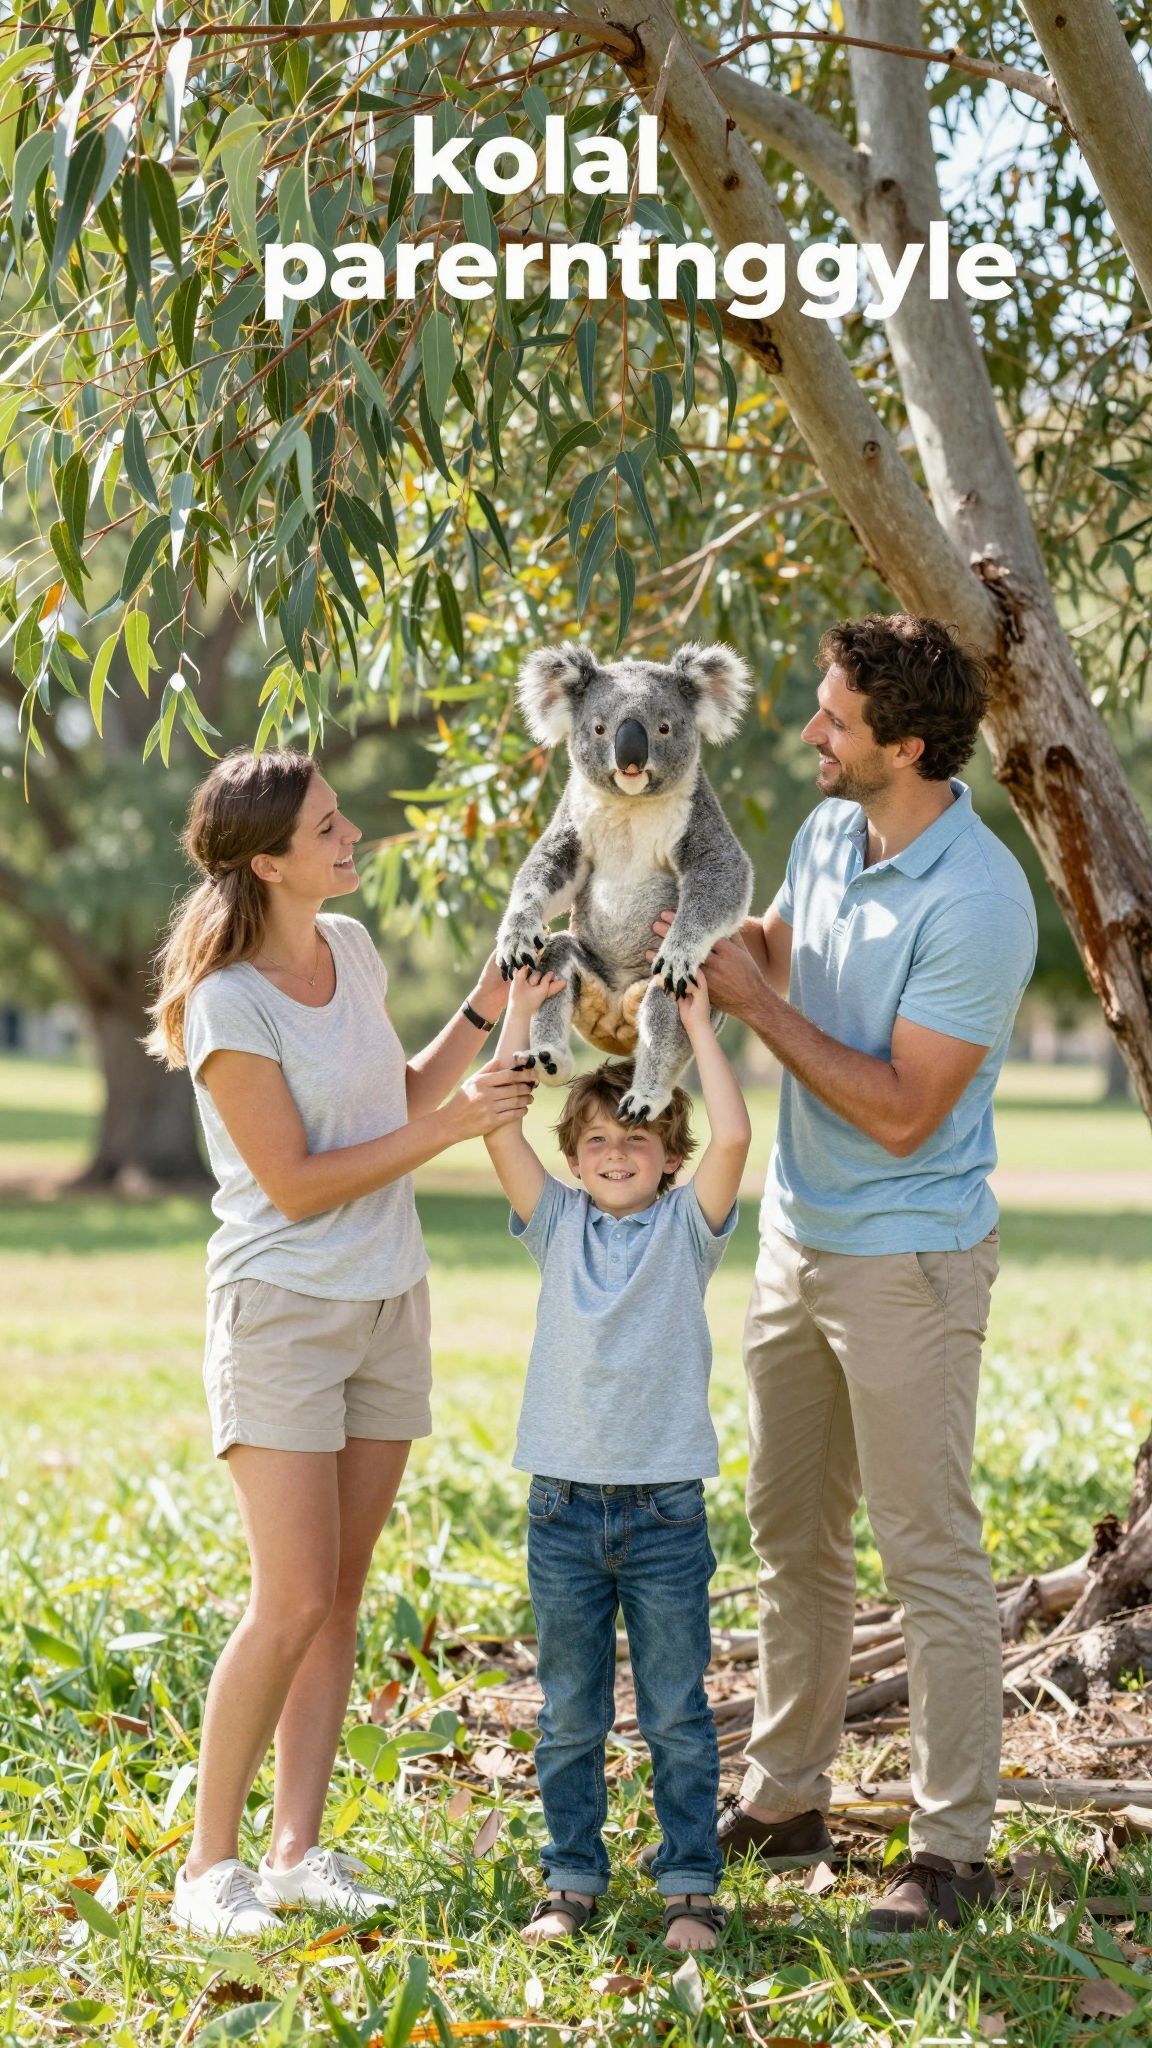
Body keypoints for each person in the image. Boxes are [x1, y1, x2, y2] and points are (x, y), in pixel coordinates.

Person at [655, 613, 1037, 1936]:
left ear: (908, 745)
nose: (810, 731)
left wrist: (757, 1010)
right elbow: (773, 950)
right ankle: (787, 1797)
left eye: (833, 718)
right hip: (796, 1244)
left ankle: (953, 1846)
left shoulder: (979, 900)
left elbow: (899, 1112)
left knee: (927, 1545)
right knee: (790, 1535)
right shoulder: (831, 835)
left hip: (910, 1262)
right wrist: (700, 963)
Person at [146, 748, 536, 1938]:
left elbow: (399, 1100)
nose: (350, 832)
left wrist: (496, 993)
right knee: (292, 1593)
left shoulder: (351, 949)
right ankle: (208, 1865)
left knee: (344, 1592)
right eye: (326, 826)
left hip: (386, 1300)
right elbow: (300, 1183)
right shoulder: (228, 1003)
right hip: (283, 1307)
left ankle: (299, 1849)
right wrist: (461, 1126)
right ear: (267, 861)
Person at [483, 965, 751, 1952]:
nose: (615, 1151)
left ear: (668, 1156)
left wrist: (696, 1027)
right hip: (562, 1510)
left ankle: (690, 1884)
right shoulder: (555, 1225)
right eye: (596, 1138)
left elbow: (734, 1133)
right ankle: (570, 1880)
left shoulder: (688, 1231)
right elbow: (498, 1126)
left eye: (637, 1136)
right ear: (575, 1154)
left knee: (677, 1711)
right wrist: (518, 1014)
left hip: (665, 1515)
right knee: (569, 1715)